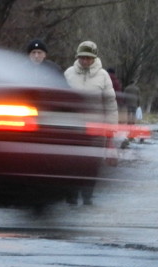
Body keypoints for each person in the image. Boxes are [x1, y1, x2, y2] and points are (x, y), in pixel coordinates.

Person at [63, 41, 118, 205]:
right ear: (77, 57)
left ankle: (87, 196)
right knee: (71, 163)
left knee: (91, 163)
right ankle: (71, 195)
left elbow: (110, 103)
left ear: (94, 58)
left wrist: (111, 130)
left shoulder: (103, 76)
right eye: (82, 58)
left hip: (96, 128)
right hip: (73, 128)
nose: (85, 61)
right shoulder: (68, 74)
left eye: (89, 58)